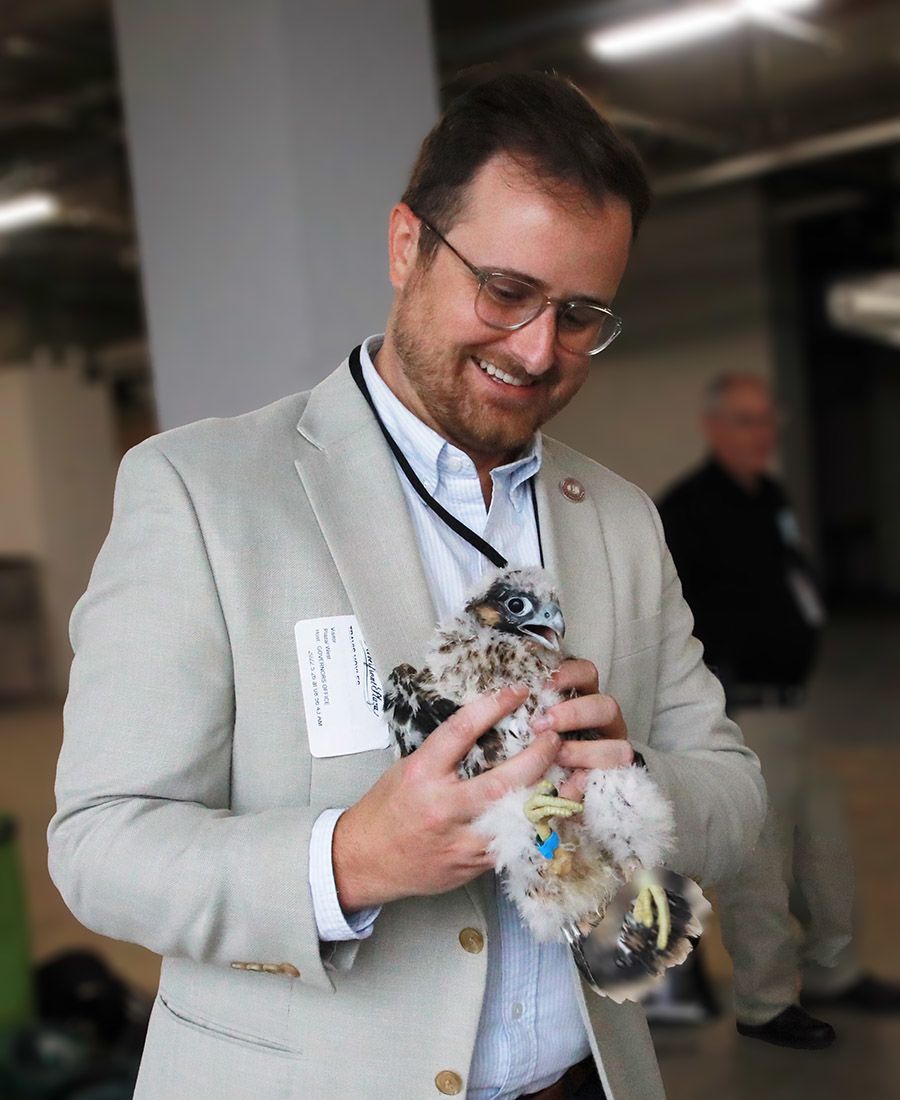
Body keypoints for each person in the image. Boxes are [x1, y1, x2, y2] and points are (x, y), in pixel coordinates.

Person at [48, 74, 765, 1100]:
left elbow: (735, 790)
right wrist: (350, 857)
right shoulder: (202, 492)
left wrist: (634, 783)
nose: (536, 349)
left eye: (581, 315)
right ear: (406, 245)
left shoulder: (616, 516)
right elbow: (101, 843)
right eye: (507, 291)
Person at [658, 373, 900, 1051]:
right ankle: (766, 1005)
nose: (760, 435)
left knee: (825, 853)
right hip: (740, 713)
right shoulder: (687, 509)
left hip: (791, 708)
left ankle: (835, 973)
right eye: (744, 421)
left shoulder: (770, 499)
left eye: (767, 421)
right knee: (757, 870)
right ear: (714, 427)